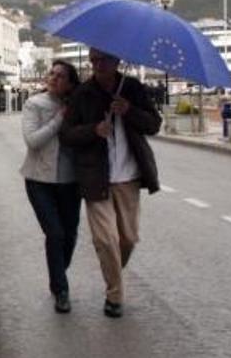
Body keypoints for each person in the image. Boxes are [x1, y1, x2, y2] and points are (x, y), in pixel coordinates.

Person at [60, 48, 161, 318]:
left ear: (117, 60)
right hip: (96, 178)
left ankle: (112, 270)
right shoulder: (82, 93)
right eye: (93, 61)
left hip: (128, 178)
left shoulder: (134, 88)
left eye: (103, 60)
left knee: (127, 239)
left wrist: (129, 110)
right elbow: (67, 134)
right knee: (106, 240)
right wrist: (94, 130)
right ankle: (114, 296)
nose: (97, 65)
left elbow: (154, 124)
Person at [20, 61, 81, 313]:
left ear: (70, 82)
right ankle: (61, 289)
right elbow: (33, 141)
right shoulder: (34, 104)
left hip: (70, 180)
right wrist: (59, 120)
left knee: (69, 235)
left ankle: (58, 272)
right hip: (39, 180)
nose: (54, 78)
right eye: (52, 74)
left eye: (61, 76)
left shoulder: (77, 105)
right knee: (55, 234)